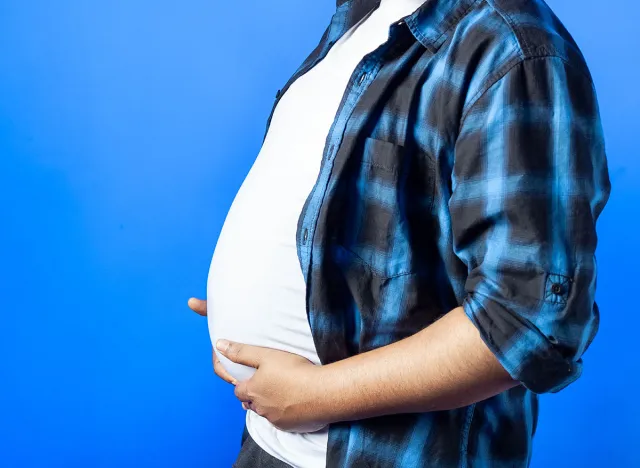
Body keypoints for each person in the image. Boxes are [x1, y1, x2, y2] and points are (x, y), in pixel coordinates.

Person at [188, 0, 611, 466]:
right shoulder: (360, 20)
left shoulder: (512, 49)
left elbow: (525, 320)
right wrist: (253, 310)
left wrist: (315, 395)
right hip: (269, 444)